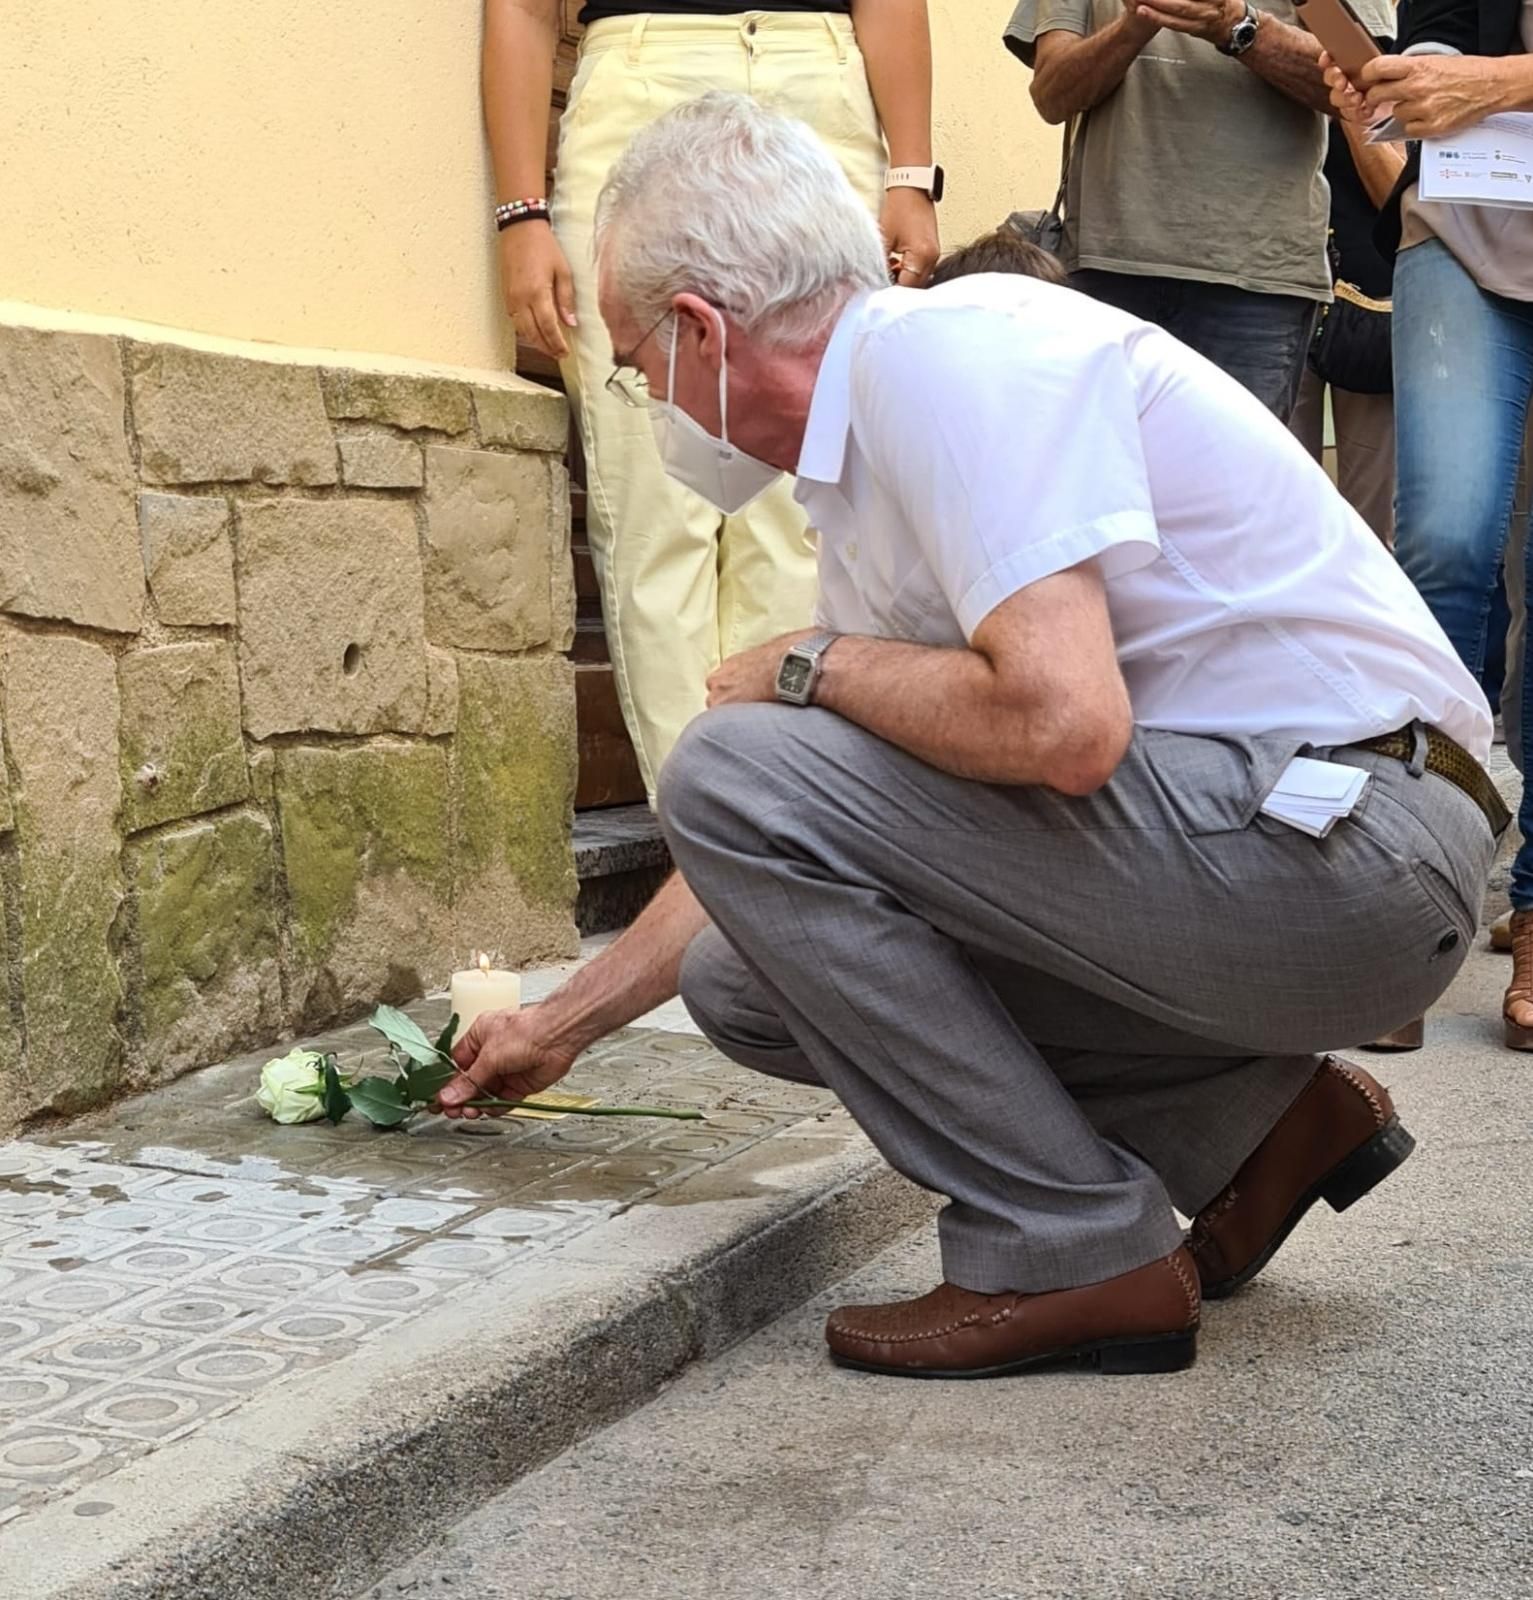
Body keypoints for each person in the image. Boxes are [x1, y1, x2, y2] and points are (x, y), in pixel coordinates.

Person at [440, 94, 1502, 1379]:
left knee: (731, 754)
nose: (649, 398)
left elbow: (1065, 727)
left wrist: (810, 668)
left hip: (1361, 839)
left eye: (636, 362)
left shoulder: (953, 357)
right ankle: (1264, 1126)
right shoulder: (877, 452)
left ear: (703, 331)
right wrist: (564, 1020)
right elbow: (781, 834)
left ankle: (1074, 1246)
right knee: (745, 977)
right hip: (1297, 849)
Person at [483, 0, 940, 804]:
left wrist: (910, 173)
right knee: (653, 497)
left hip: (819, 80)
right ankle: (710, 841)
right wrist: (521, 214)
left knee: (807, 503)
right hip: (640, 71)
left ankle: (791, 817)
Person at [1326, 0, 1533, 1048]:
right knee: (1443, 541)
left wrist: (1499, 83)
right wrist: (1387, 98)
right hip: (1458, 226)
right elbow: (1429, 52)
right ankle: (1413, 908)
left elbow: (1481, 75)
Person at [1002, 0, 1396, 421]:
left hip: (1259, 284)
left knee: (1233, 484)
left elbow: (1366, 85)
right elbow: (1051, 95)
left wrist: (1235, 24)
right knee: (1101, 479)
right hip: (1106, 267)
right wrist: (1136, 23)